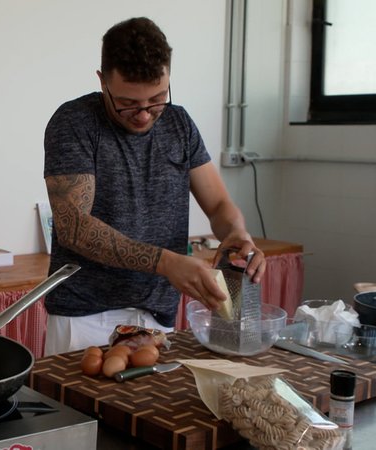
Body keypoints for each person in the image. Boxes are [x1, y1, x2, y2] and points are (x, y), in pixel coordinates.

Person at [42, 17, 266, 356]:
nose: (144, 114)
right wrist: (165, 263)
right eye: (128, 103)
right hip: (84, 317)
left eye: (157, 99)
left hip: (157, 317)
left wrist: (237, 233)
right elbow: (74, 227)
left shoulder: (179, 124)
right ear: (102, 81)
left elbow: (219, 205)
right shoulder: (75, 122)